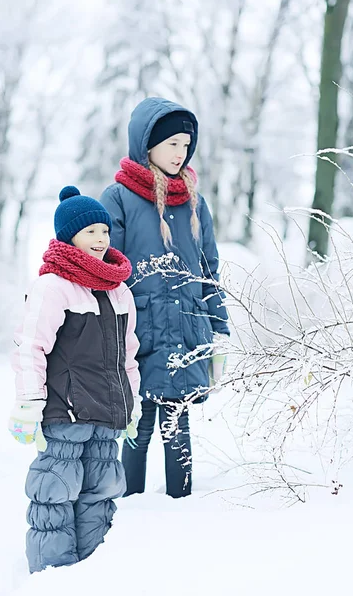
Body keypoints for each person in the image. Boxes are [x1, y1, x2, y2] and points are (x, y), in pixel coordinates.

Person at [100, 97, 230, 499]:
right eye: (172, 143)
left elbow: (209, 267)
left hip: (187, 329)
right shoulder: (118, 198)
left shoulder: (194, 201)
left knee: (178, 425)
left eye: (186, 144)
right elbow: (106, 270)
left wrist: (219, 328)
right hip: (138, 331)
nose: (181, 152)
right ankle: (130, 507)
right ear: (147, 145)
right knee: (137, 423)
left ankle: (182, 510)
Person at [8, 186, 141, 573]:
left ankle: (92, 573)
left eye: (105, 231)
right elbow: (30, 347)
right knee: (55, 493)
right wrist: (27, 404)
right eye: (90, 232)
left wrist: (130, 405)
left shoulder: (120, 291)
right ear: (69, 236)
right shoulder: (53, 287)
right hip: (66, 412)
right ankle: (52, 575)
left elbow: (128, 357)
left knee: (100, 494)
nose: (101, 240)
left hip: (107, 414)